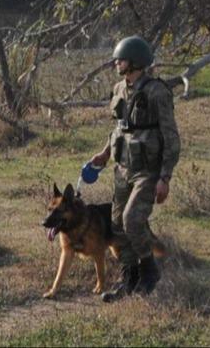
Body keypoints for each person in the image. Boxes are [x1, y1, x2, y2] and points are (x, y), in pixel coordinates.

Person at [88, 36, 180, 302]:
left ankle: (149, 272)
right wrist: (105, 153)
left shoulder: (157, 92)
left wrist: (165, 177)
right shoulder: (119, 89)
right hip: (122, 167)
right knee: (116, 225)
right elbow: (120, 127)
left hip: (147, 171)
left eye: (122, 59)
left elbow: (171, 137)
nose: (117, 62)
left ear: (136, 62)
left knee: (132, 220)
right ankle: (129, 280)